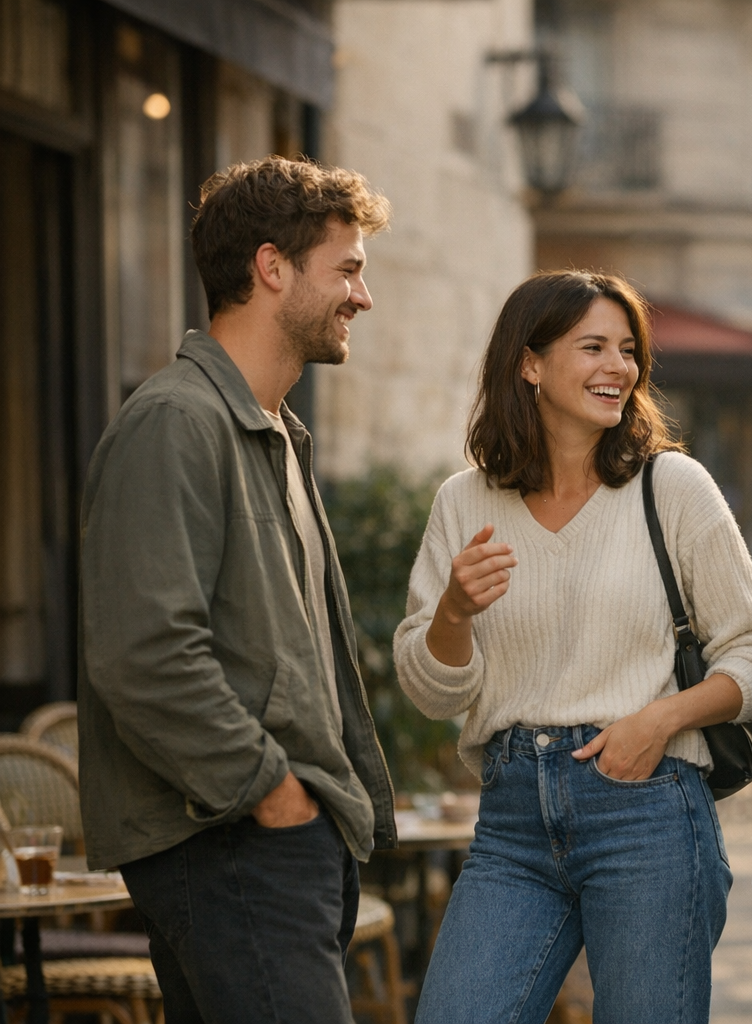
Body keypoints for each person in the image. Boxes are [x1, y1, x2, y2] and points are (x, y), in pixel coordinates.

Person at [395, 270, 752, 1023]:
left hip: (648, 812)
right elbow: (431, 691)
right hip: (511, 819)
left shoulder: (670, 487)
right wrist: (452, 610)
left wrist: (661, 720)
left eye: (628, 350)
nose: (620, 368)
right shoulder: (465, 500)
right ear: (530, 362)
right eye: (593, 348)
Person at [77, 156, 397, 1022]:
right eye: (349, 270)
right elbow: (144, 653)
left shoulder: (270, 433)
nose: (362, 298)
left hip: (270, 837)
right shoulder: (177, 423)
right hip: (229, 837)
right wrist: (270, 791)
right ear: (271, 268)